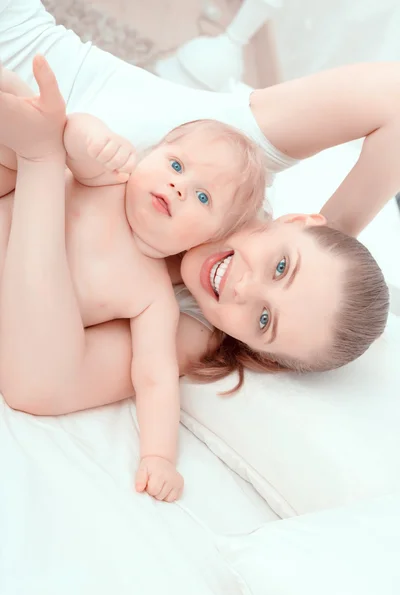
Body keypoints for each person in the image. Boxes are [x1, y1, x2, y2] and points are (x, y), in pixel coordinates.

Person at [0, 4, 394, 435]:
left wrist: (40, 159)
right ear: (297, 222)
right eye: (281, 266)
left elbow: (38, 385)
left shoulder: (191, 321)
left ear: (260, 350)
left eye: (264, 320)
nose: (243, 287)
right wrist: (336, 240)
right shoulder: (237, 157)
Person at [0, 56, 267, 502]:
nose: (179, 187)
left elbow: (155, 378)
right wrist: (96, 139)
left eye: (203, 196)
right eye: (176, 165)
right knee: (26, 109)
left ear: (209, 239)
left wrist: (159, 456)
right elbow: (71, 136)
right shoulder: (111, 180)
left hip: (14, 311)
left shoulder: (152, 299)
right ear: (150, 154)